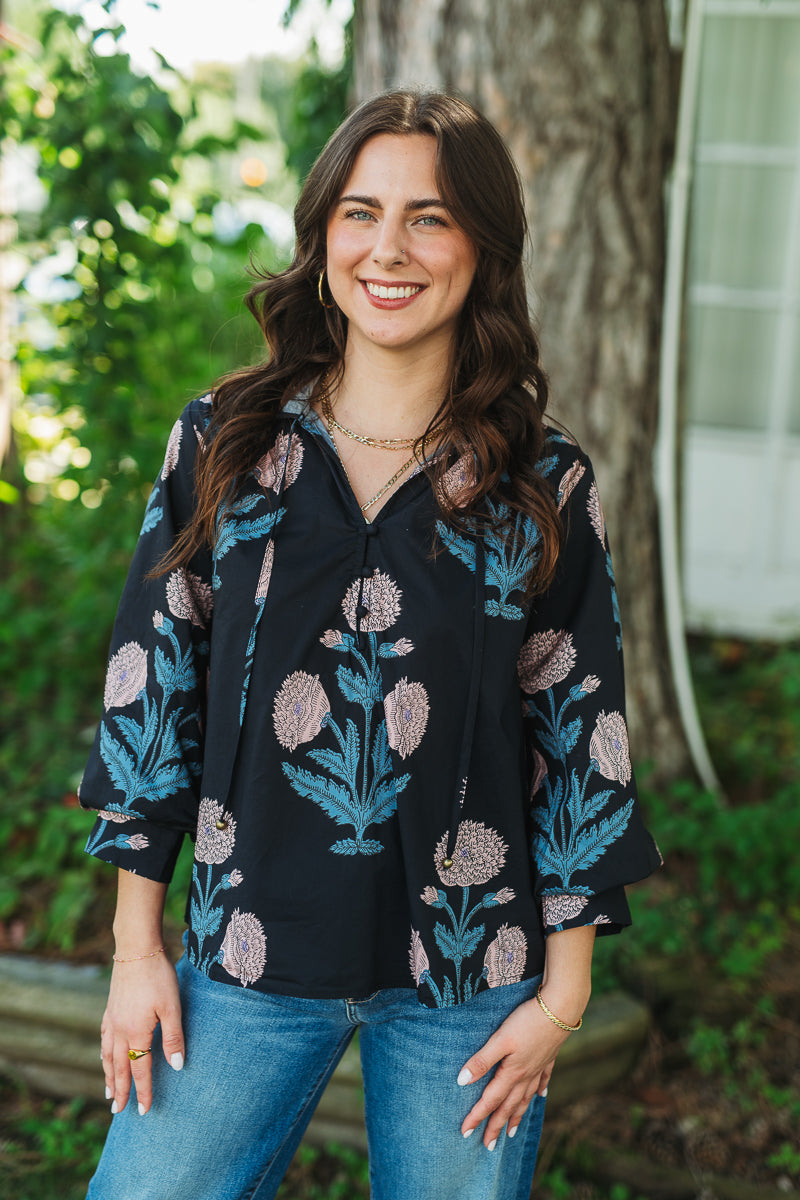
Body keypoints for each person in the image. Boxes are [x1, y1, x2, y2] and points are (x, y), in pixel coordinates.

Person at [79, 89, 661, 1200]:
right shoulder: (226, 443)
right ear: (322, 235)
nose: (388, 248)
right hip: (240, 959)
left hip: (472, 980)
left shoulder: (541, 482)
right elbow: (149, 700)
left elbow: (582, 737)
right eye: (360, 212)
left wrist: (561, 1002)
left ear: (481, 245)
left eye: (428, 217)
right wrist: (137, 949)